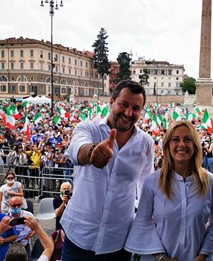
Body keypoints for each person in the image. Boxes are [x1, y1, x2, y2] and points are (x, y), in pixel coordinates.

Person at [62, 80, 154, 261]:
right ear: (111, 102)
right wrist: (92, 152)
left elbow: (146, 189)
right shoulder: (88, 128)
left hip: (118, 242)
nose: (128, 113)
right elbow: (76, 150)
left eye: (135, 108)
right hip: (79, 236)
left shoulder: (146, 143)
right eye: (124, 104)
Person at [125, 121, 213, 261]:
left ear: (195, 145)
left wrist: (203, 255)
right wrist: (160, 257)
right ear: (167, 146)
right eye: (175, 139)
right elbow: (143, 220)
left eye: (187, 139)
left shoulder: (211, 182)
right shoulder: (152, 182)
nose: (181, 145)